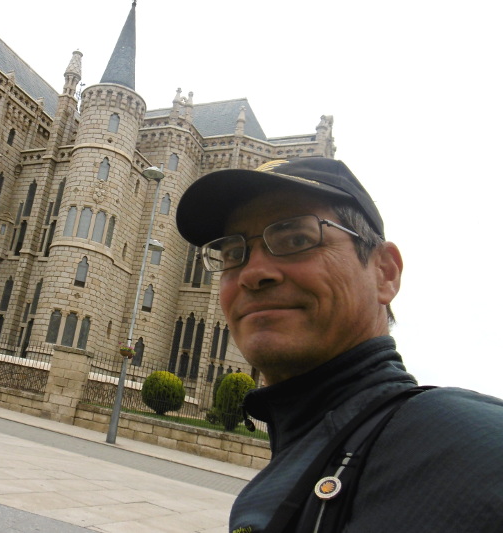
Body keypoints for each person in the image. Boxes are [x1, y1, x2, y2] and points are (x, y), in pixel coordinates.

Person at [175, 157, 503, 533]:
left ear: (385, 272)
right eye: (234, 254)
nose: (252, 273)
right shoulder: (305, 450)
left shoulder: (465, 449)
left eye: (297, 239)